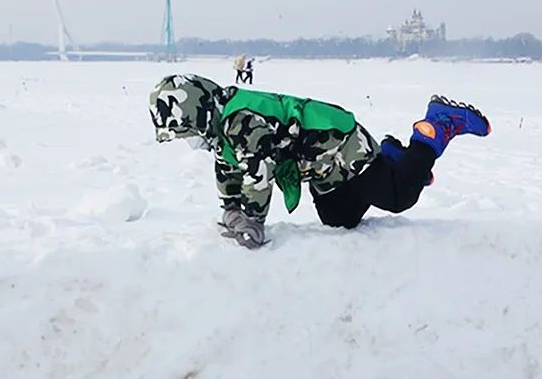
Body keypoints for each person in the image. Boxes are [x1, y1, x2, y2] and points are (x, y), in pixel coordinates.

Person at [148, 74, 490, 248]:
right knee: (338, 219)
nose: (188, 141)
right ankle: (392, 159)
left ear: (197, 113)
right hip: (320, 166)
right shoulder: (222, 128)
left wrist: (251, 220)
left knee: (399, 197)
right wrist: (230, 207)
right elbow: (228, 166)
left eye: (184, 132)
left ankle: (435, 128)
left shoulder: (241, 121)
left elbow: (259, 171)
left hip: (339, 147)